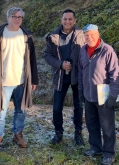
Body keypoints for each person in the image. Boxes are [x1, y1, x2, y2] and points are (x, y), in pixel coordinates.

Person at [0, 7, 39, 153]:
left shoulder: (26, 36)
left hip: (21, 81)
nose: (17, 19)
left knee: (20, 111)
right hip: (3, 82)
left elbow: (32, 59)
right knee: (0, 113)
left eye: (20, 17)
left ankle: (18, 134)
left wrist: (33, 79)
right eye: (14, 16)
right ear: (8, 17)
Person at [78, 24, 119, 165]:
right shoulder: (83, 51)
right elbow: (81, 72)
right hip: (89, 95)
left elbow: (115, 74)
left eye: (92, 34)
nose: (89, 37)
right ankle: (95, 147)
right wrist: (80, 90)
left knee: (107, 126)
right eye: (86, 35)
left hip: (104, 96)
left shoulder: (107, 50)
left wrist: (113, 96)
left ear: (97, 34)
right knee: (91, 124)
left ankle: (109, 153)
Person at [43, 9, 86, 145]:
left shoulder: (82, 35)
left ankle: (78, 134)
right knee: (56, 107)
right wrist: (61, 64)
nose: (67, 21)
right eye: (65, 19)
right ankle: (58, 133)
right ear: (61, 20)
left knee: (78, 106)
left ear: (75, 21)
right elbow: (47, 55)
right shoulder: (53, 36)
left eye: (70, 19)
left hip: (77, 76)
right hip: (60, 76)